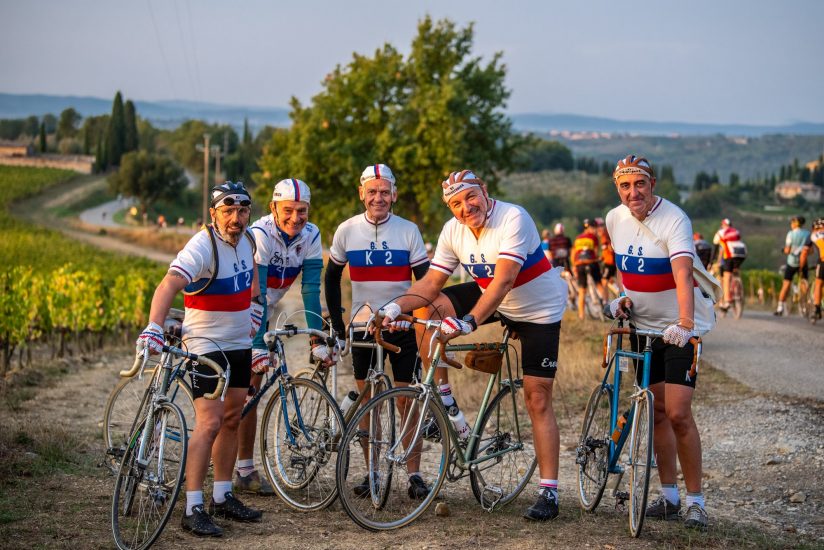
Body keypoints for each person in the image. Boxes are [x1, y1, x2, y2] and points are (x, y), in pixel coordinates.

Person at [378, 169, 568, 521]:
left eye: (470, 197)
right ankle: (445, 400)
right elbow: (432, 282)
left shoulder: (513, 217)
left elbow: (504, 280)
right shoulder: (454, 230)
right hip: (491, 297)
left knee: (537, 397)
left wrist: (469, 322)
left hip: (538, 309)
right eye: (456, 203)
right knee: (426, 308)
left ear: (484, 190)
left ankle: (549, 491)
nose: (466, 207)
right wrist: (393, 306)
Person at [136, 182, 262, 537]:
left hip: (240, 344)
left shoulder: (249, 239)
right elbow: (168, 284)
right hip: (206, 347)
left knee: (234, 418)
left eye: (241, 211)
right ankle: (192, 507)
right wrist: (154, 326)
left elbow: (252, 279)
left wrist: (254, 307)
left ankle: (222, 496)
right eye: (228, 211)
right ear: (213, 213)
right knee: (209, 423)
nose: (235, 219)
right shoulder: (202, 245)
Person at [605, 155, 715, 530]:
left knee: (680, 412)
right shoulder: (614, 218)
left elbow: (683, 274)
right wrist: (621, 298)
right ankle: (668, 497)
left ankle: (696, 502)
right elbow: (628, 269)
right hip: (642, 327)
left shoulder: (674, 219)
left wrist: (684, 323)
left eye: (640, 184)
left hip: (680, 329)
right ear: (617, 188)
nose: (633, 192)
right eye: (625, 186)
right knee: (657, 411)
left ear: (652, 184)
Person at [324, 163, 431, 499]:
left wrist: (410, 314)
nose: (378, 198)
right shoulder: (347, 230)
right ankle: (370, 472)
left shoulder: (408, 230)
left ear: (394, 194)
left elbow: (426, 282)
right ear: (362, 193)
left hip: (400, 326)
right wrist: (340, 327)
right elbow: (331, 278)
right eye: (372, 192)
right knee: (367, 401)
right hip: (362, 328)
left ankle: (414, 475)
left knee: (406, 401)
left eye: (385, 192)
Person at [235, 178, 335, 495]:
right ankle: (240, 469)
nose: (296, 217)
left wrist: (316, 339)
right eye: (288, 210)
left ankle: (242, 469)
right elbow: (258, 294)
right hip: (239, 306)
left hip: (264, 308)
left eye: (302, 210)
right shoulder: (261, 234)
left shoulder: (312, 235)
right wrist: (256, 345)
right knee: (242, 387)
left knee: (252, 389)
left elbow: (309, 290)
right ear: (274, 208)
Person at [774, 216, 811, 316]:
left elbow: (787, 249)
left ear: (796, 223)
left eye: (792, 222)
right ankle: (804, 306)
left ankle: (780, 307)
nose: (791, 224)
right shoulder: (808, 234)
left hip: (792, 263)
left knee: (786, 285)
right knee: (804, 284)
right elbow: (810, 251)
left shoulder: (791, 234)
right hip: (803, 263)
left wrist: (784, 250)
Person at [571, 219, 606, 319]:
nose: (595, 230)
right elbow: (595, 252)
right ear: (590, 228)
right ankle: (606, 306)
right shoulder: (593, 237)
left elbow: (573, 253)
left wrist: (574, 265)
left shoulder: (577, 238)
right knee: (599, 284)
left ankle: (581, 315)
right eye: (594, 228)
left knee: (582, 290)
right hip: (591, 263)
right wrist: (598, 259)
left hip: (579, 265)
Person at [712, 218, 747, 311]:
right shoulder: (736, 231)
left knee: (727, 277)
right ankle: (737, 285)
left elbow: (715, 249)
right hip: (742, 254)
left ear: (722, 225)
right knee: (734, 270)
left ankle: (728, 300)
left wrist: (711, 261)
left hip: (729, 255)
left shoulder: (720, 233)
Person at [800, 217, 824, 322]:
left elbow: (804, 253)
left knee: (818, 283)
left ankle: (817, 309)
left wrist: (801, 267)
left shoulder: (813, 235)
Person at [595, 217, 618, 297]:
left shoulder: (604, 236)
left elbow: (609, 248)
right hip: (611, 260)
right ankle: (618, 294)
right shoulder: (607, 234)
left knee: (604, 281)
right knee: (611, 280)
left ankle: (607, 300)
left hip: (609, 261)